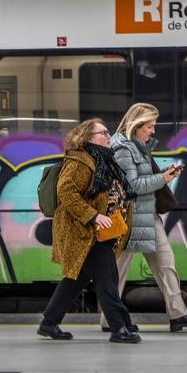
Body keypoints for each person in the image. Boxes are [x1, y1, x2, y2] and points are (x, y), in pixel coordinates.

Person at [102, 102, 187, 333]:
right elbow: (132, 185)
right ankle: (109, 319)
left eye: (153, 126)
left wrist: (162, 174)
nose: (152, 131)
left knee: (166, 264)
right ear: (136, 125)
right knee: (118, 270)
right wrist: (164, 179)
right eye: (149, 126)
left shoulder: (139, 147)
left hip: (147, 215)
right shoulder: (123, 149)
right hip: (128, 218)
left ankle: (178, 315)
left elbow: (142, 179)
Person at [38, 118, 140, 344]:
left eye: (107, 131)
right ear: (87, 138)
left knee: (77, 279)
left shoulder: (103, 158)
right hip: (82, 231)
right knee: (107, 278)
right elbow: (66, 192)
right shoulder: (80, 161)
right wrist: (93, 215)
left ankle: (49, 322)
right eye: (102, 133)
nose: (107, 135)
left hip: (97, 230)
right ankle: (118, 327)